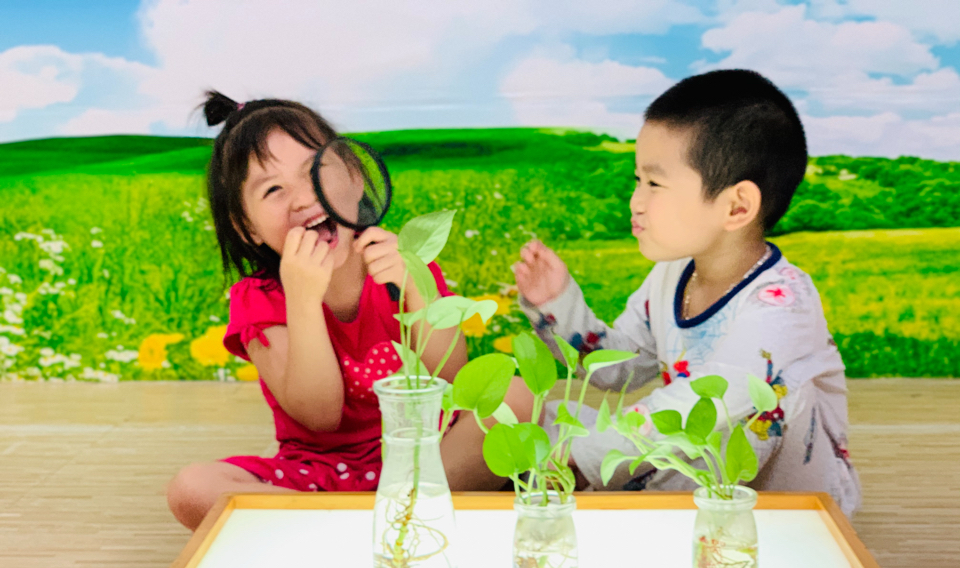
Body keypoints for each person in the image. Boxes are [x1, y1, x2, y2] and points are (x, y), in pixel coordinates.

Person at [167, 92, 532, 530]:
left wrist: (418, 289)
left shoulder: (404, 262)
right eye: (273, 189)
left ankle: (367, 522)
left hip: (425, 455)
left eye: (315, 171)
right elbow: (320, 415)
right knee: (192, 489)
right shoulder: (259, 299)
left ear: (355, 178)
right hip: (319, 475)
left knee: (517, 396)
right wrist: (303, 301)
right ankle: (389, 522)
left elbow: (452, 380)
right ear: (248, 228)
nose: (303, 198)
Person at [513, 69, 861, 516]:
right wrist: (557, 304)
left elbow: (700, 407)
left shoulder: (783, 305)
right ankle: (613, 489)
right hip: (687, 453)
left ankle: (613, 495)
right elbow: (619, 369)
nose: (636, 201)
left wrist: (578, 458)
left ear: (736, 206)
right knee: (545, 414)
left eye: (654, 184)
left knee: (747, 408)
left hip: (787, 500)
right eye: (637, 180)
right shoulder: (673, 274)